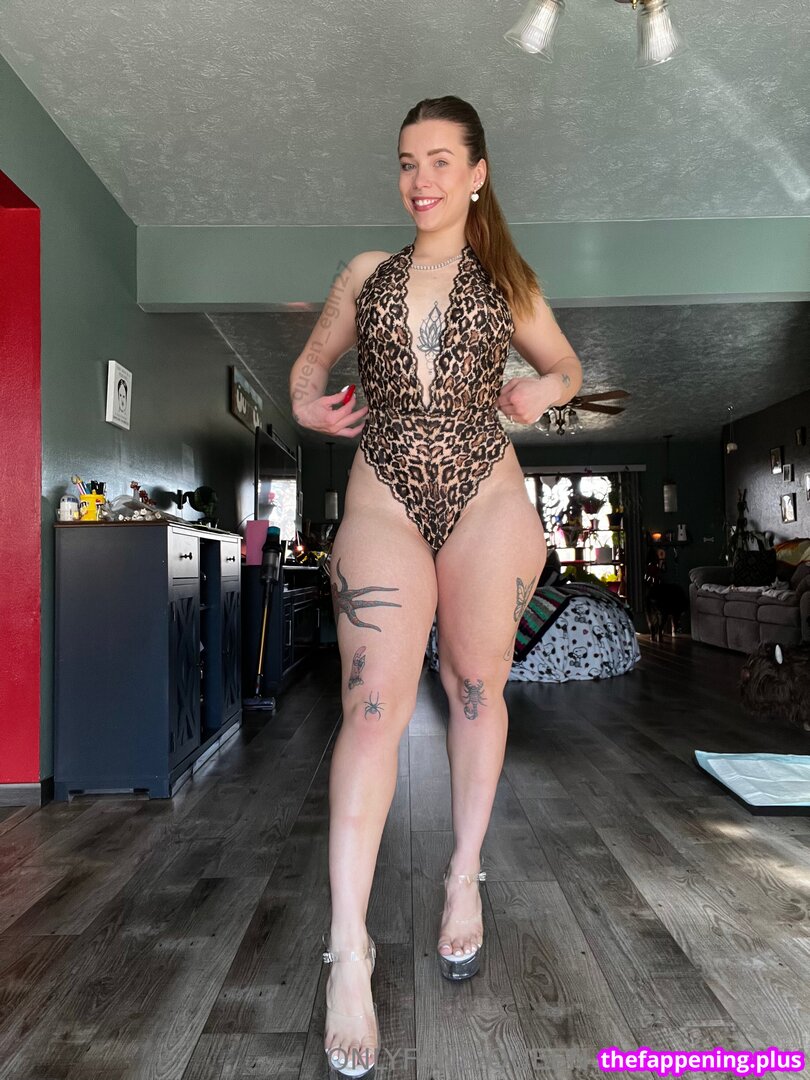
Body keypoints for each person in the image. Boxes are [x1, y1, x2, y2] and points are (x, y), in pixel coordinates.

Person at [288, 95, 583, 1079]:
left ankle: (464, 876)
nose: (421, 180)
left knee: (474, 685)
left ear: (477, 173)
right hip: (384, 489)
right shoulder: (366, 273)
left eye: (441, 161)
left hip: (485, 491)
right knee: (371, 704)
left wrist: (543, 388)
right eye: (408, 161)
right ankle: (349, 950)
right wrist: (306, 401)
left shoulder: (507, 279)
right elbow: (308, 365)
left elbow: (566, 364)